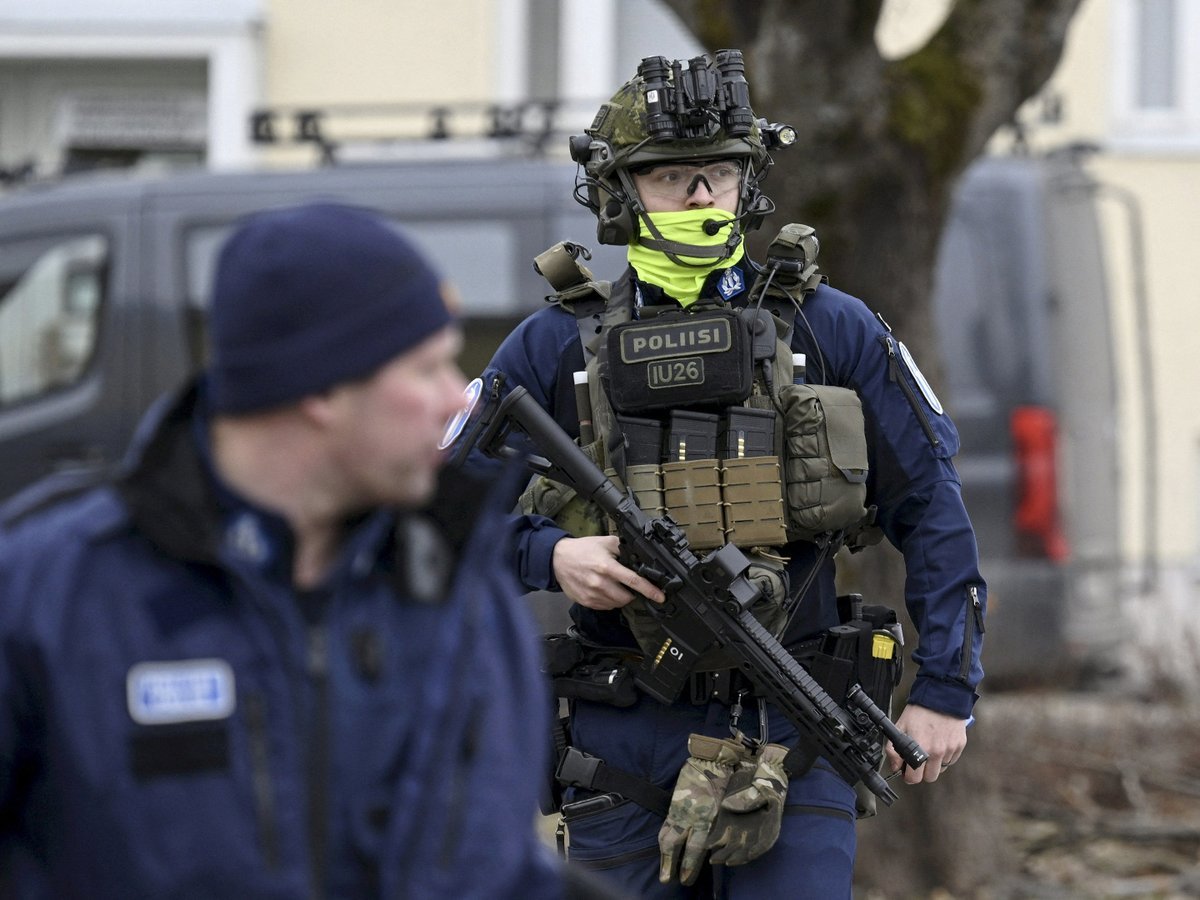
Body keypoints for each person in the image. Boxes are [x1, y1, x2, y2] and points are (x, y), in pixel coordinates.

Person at [467, 51, 987, 898]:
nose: (703, 197)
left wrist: (946, 690)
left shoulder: (831, 329)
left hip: (797, 718)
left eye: (720, 174)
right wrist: (550, 557)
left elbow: (930, 504)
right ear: (621, 193)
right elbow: (427, 514)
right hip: (620, 732)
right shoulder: (555, 346)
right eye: (674, 176)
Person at [0, 202, 591, 898]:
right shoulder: (52, 595)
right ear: (320, 390)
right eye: (427, 369)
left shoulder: (459, 593)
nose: (452, 402)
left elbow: (502, 875)